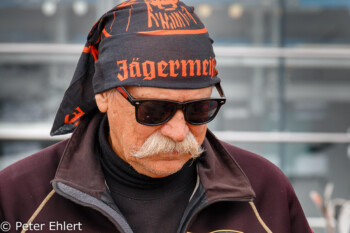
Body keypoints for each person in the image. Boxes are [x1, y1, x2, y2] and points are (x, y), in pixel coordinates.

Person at [0, 1, 313, 232]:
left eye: (198, 110)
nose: (179, 132)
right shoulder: (18, 198)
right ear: (104, 95)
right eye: (153, 111)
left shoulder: (264, 191)